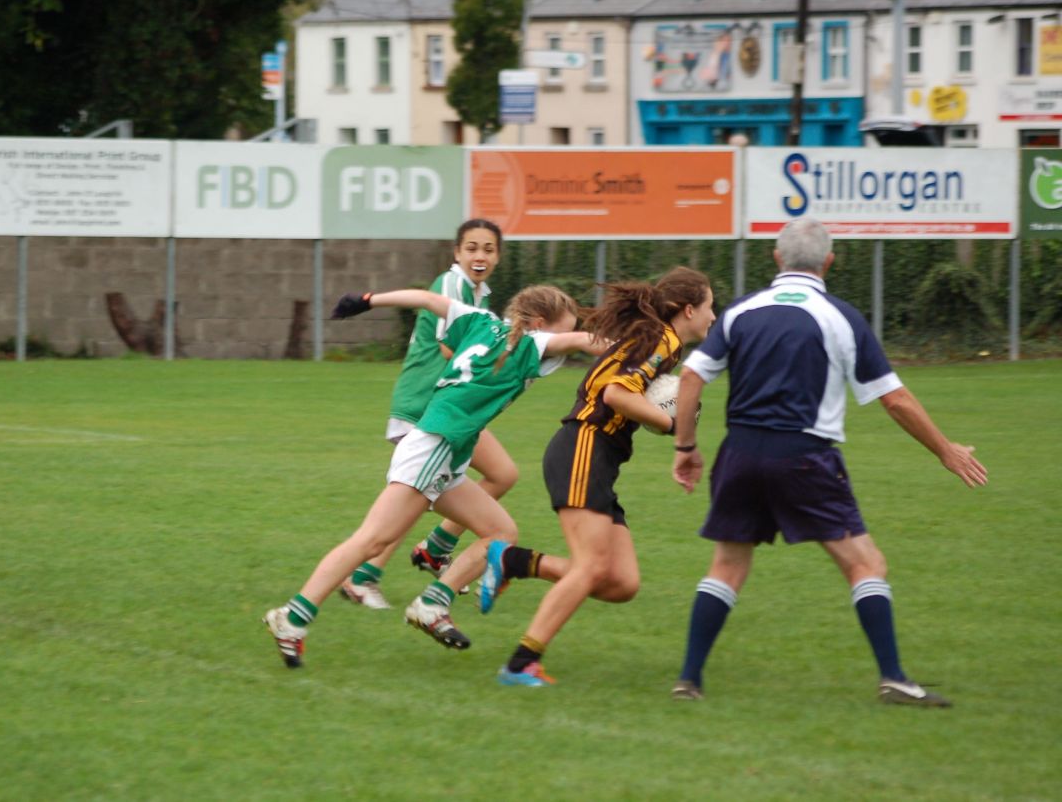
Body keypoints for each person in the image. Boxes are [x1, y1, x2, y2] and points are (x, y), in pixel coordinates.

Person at [669, 218, 988, 707]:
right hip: (805, 457)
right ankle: (895, 679)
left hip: (740, 455)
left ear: (777, 258)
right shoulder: (840, 317)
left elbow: (690, 379)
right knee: (865, 563)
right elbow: (895, 400)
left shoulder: (741, 313)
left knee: (728, 565)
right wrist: (945, 449)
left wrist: (686, 449)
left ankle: (688, 680)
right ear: (829, 261)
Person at [264, 284, 611, 669]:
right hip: (435, 447)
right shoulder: (531, 343)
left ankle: (431, 605)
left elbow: (427, 300)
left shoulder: (480, 321)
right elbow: (586, 341)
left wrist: (365, 300)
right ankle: (292, 619)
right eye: (558, 331)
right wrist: (646, 354)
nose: (561, 341)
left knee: (501, 534)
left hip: (446, 451)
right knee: (371, 540)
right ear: (539, 323)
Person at [480, 269, 717, 687]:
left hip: (598, 458)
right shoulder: (664, 339)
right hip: (583, 448)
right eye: (710, 306)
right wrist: (669, 423)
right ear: (689, 309)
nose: (714, 317)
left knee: (621, 583)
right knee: (590, 567)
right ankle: (520, 664)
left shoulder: (660, 339)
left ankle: (512, 560)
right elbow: (616, 395)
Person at [341, 219, 516, 610]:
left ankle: (435, 549)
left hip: (449, 408)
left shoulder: (477, 293)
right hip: (426, 404)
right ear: (456, 253)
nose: (480, 256)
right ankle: (363, 578)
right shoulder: (453, 285)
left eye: (488, 249)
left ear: (498, 256)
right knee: (413, 498)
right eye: (471, 248)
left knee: (502, 474)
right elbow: (448, 350)